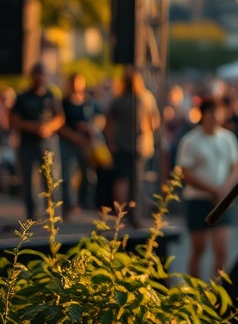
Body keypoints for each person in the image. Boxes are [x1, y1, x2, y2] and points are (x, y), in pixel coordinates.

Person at [175, 95, 238, 278]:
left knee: (222, 250)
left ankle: (216, 290)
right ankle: (194, 287)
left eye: (217, 113)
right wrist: (212, 190)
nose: (215, 117)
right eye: (211, 113)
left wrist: (225, 189)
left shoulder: (228, 138)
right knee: (199, 249)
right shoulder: (190, 140)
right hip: (198, 199)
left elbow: (236, 167)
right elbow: (186, 172)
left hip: (222, 200)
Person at [105, 67, 160, 226]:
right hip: (137, 145)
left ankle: (122, 213)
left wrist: (111, 142)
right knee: (134, 180)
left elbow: (109, 123)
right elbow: (155, 120)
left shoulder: (121, 99)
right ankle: (133, 213)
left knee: (123, 180)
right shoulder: (144, 98)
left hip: (127, 144)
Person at [9, 62, 64, 219]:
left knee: (51, 179)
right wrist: (31, 126)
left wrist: (48, 127)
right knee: (29, 180)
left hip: (48, 142)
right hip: (28, 142)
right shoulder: (23, 97)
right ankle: (32, 214)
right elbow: (13, 119)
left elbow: (60, 117)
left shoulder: (51, 96)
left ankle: (53, 214)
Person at [60, 72, 98, 215]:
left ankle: (86, 202)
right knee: (68, 174)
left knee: (88, 175)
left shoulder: (89, 102)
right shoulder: (64, 102)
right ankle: (69, 204)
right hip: (69, 142)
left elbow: (100, 117)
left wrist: (91, 127)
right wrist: (72, 135)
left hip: (87, 143)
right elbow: (60, 123)